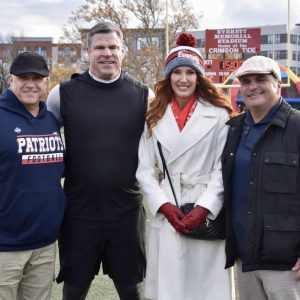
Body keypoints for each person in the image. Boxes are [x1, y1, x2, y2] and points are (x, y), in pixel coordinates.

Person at [47, 22, 152, 300]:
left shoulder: (143, 95)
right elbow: (43, 141)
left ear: (123, 52)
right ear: (88, 51)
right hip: (79, 212)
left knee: (132, 291)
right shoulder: (62, 94)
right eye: (100, 47)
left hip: (126, 213)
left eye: (113, 47)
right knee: (74, 290)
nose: (107, 53)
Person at [136, 32, 234, 300]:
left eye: (190, 73)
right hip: (167, 208)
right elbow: (144, 169)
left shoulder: (219, 114)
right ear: (168, 77)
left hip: (203, 209)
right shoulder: (153, 114)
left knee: (204, 286)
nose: (183, 79)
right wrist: (163, 206)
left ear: (199, 77)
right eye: (176, 72)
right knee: (169, 287)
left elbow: (221, 169)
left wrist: (205, 207)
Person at [222, 55, 300, 300]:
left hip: (286, 262)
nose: (252, 86)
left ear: (277, 84)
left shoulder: (297, 127)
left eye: (260, 79)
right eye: (246, 81)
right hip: (244, 257)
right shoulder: (233, 129)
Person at [0, 52, 66, 300]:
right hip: (5, 244)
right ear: (10, 79)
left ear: (46, 82)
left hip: (45, 242)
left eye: (37, 78)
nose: (30, 83)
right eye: (23, 77)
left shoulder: (50, 120)